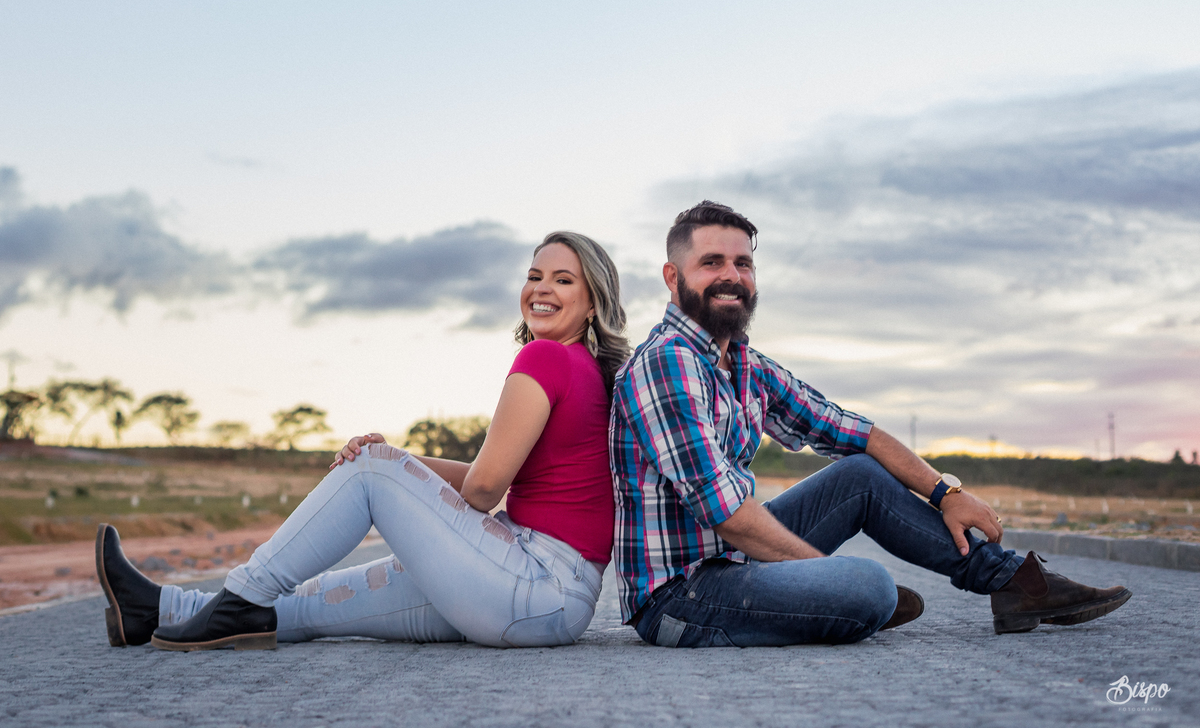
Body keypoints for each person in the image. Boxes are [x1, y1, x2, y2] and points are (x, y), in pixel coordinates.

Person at [611, 201, 1132, 648]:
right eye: (712, 262)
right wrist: (821, 575)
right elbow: (727, 515)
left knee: (860, 474)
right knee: (871, 588)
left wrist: (947, 493)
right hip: (680, 596)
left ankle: (1011, 580)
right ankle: (846, 600)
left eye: (743, 263)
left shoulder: (745, 364)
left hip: (732, 559)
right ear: (673, 277)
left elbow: (857, 433)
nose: (732, 275)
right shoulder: (667, 362)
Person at [96, 231, 631, 650]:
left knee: (370, 469)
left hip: (531, 581)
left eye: (563, 281)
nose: (541, 288)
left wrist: (383, 470)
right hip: (548, 600)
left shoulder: (546, 358)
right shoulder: (587, 371)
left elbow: (485, 490)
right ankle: (156, 610)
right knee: (310, 603)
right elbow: (487, 477)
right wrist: (401, 461)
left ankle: (240, 594)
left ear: (592, 304)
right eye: (534, 275)